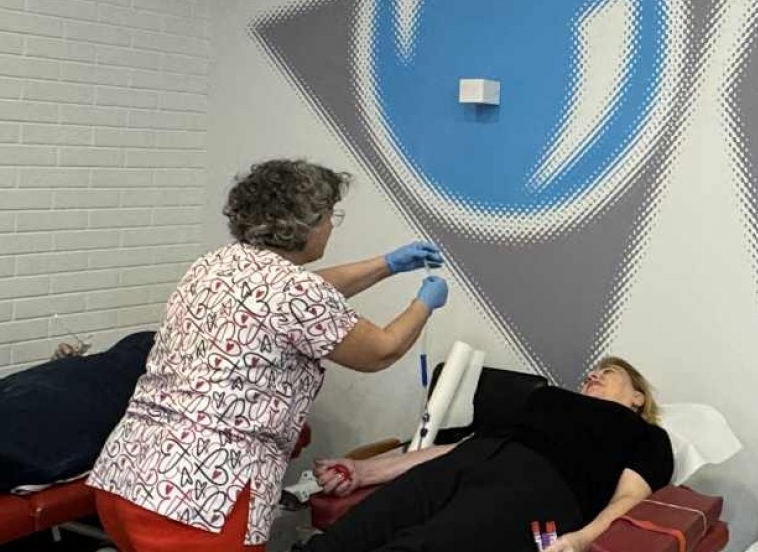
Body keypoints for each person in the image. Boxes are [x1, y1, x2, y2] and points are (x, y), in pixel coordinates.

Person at [88, 158, 449, 552]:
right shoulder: (295, 292)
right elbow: (380, 351)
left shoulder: (215, 264)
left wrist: (387, 265)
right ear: (306, 224)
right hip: (201, 495)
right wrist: (424, 304)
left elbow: (308, 292)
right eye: (330, 216)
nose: (331, 227)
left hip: (128, 473)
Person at [305, 356, 673, 552]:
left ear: (637, 397)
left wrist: (582, 538)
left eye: (608, 371)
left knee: (421, 546)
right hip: (471, 458)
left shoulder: (647, 435)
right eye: (592, 371)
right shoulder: (547, 399)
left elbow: (628, 498)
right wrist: (365, 470)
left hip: (539, 486)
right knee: (349, 535)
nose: (594, 374)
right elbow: (460, 447)